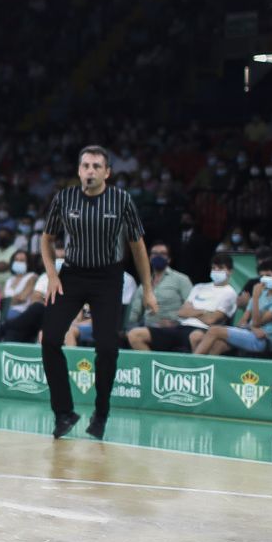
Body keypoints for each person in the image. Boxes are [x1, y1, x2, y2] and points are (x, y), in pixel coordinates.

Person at [38, 146, 156, 440]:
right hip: (73, 275)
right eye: (86, 165)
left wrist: (148, 289)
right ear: (79, 170)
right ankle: (63, 412)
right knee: (50, 338)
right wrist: (52, 274)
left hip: (108, 277)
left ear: (107, 172)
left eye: (96, 166)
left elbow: (138, 246)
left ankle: (101, 412)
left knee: (107, 348)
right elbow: (46, 239)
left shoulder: (122, 200)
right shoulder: (64, 198)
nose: (90, 171)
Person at [127, 254, 238, 353]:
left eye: (221, 268)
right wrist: (203, 312)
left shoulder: (230, 293)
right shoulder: (199, 287)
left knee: (196, 337)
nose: (217, 271)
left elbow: (211, 320)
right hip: (180, 327)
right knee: (135, 335)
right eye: (214, 268)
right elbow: (182, 312)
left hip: (203, 330)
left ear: (230, 271)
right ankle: (154, 368)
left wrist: (193, 312)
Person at [196, 258, 272, 356]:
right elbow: (243, 321)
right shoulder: (261, 292)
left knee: (214, 330)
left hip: (262, 340)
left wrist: (256, 298)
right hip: (248, 333)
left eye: (268, 275)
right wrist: (251, 327)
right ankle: (210, 370)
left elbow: (257, 323)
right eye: (262, 276)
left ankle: (191, 365)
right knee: (218, 344)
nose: (264, 279)